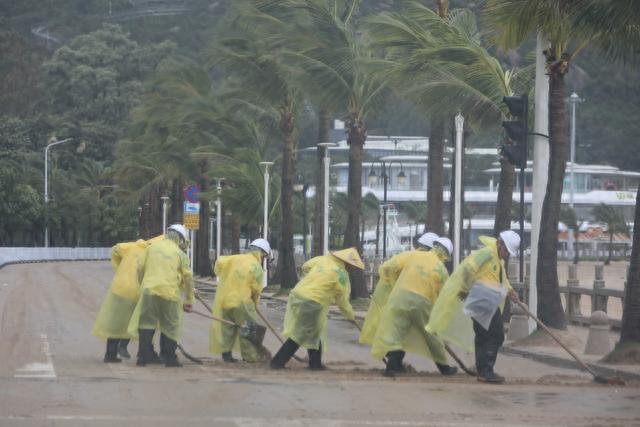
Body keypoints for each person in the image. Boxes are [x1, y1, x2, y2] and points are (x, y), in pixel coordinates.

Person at [426, 230, 521, 384]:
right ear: (499, 243)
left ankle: (481, 369)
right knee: (496, 334)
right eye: (506, 251)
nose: (506, 254)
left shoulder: (497, 259)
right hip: (482, 298)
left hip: (485, 299)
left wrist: (510, 291)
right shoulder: (487, 254)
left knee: (483, 335)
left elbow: (501, 278)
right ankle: (486, 371)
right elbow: (469, 268)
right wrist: (465, 289)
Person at [371, 237, 458, 377]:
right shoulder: (441, 269)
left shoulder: (413, 255)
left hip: (400, 297)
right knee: (431, 335)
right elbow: (446, 295)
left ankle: (392, 367)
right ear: (446, 255)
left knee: (395, 333)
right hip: (422, 303)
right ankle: (444, 368)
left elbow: (387, 267)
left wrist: (394, 283)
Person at [270, 247, 364, 370]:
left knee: (315, 330)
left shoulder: (321, 260)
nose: (352, 269)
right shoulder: (341, 274)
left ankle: (315, 364)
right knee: (302, 332)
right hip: (313, 300)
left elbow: (305, 267)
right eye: (352, 266)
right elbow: (342, 301)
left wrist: (315, 278)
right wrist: (350, 316)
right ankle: (278, 361)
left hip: (298, 294)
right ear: (347, 263)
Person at [128, 224, 194, 367]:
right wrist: (189, 299)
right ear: (181, 239)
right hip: (169, 293)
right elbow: (188, 277)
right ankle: (168, 357)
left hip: (149, 291)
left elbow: (140, 267)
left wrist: (143, 284)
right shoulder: (180, 254)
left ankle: (143, 357)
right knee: (170, 325)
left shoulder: (151, 248)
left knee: (146, 323)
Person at [359, 232, 438, 346]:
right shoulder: (410, 256)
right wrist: (394, 284)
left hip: (404, 298)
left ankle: (393, 358)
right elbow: (385, 268)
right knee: (387, 324)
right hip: (391, 295)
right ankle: (391, 357)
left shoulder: (426, 262)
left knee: (399, 328)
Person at [92, 236, 160, 362]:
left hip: (120, 288)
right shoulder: (154, 252)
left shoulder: (132, 246)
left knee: (116, 323)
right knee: (143, 322)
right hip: (137, 291)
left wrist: (119, 268)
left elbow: (115, 249)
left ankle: (110, 354)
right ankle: (144, 353)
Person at [209, 238, 271, 363]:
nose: (264, 259)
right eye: (264, 257)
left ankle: (226, 355)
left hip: (226, 300)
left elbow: (219, 263)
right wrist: (254, 304)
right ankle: (250, 357)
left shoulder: (234, 258)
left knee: (227, 328)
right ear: (262, 253)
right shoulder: (256, 267)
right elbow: (256, 290)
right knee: (248, 330)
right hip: (243, 302)